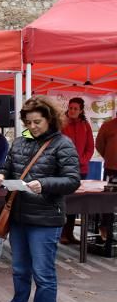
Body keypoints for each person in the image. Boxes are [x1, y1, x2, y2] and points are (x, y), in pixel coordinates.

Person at [0, 97, 80, 302]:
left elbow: (73, 179)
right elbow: (7, 167)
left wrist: (45, 184)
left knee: (43, 273)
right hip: (19, 216)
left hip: (45, 218)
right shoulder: (20, 141)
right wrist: (0, 175)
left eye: (37, 121)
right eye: (28, 122)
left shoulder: (62, 144)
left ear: (50, 118)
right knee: (19, 269)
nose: (33, 126)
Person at [60, 97, 94, 243]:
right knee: (63, 201)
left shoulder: (85, 125)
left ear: (81, 110)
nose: (72, 111)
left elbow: (90, 147)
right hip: (63, 169)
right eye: (70, 108)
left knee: (76, 202)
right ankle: (61, 234)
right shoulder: (61, 123)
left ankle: (70, 234)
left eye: (75, 108)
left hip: (81, 169)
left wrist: (82, 161)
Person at [96, 114, 117, 242]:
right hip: (112, 169)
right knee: (109, 200)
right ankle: (104, 226)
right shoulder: (108, 126)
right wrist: (110, 157)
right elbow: (99, 145)